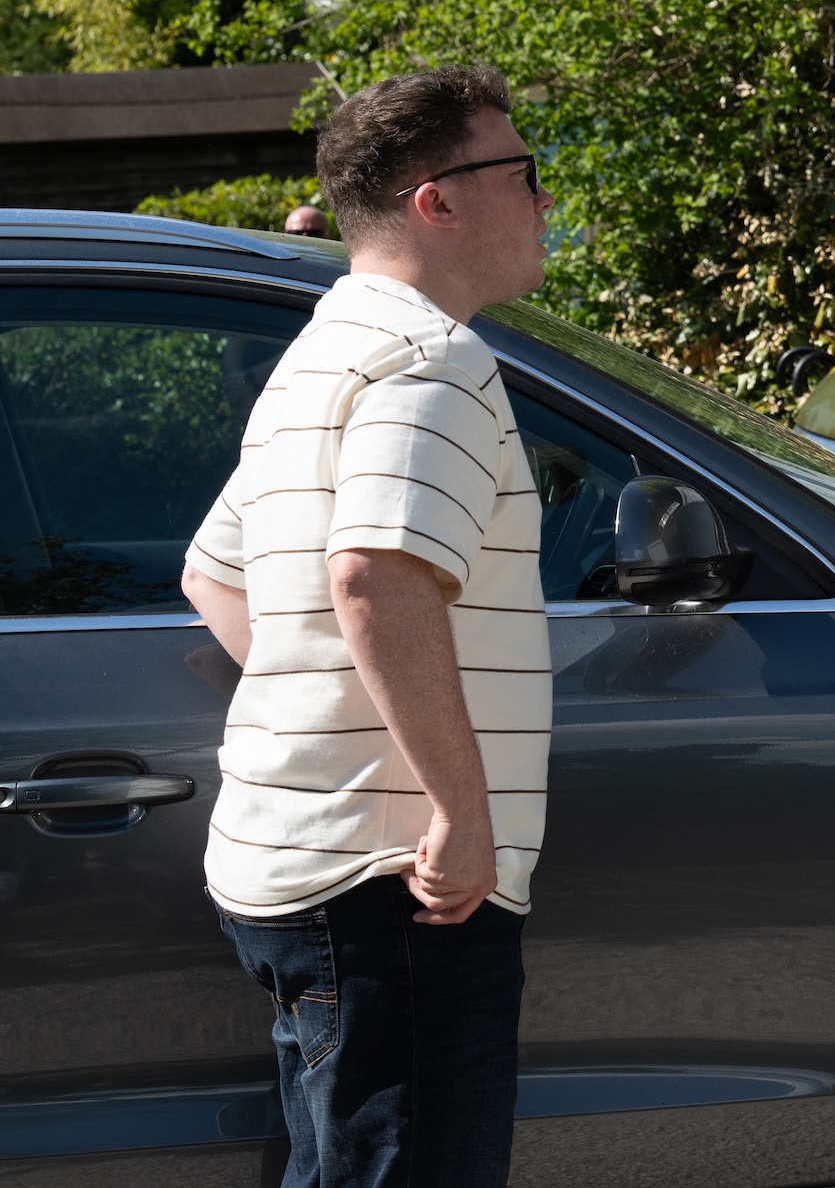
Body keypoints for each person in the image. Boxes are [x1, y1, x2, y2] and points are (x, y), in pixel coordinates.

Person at [180, 65, 556, 1188]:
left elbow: (214, 575)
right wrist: (456, 807)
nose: (543, 198)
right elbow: (376, 578)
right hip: (393, 887)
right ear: (438, 198)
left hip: (304, 877)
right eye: (523, 171)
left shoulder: (317, 356)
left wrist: (326, 699)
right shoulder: (431, 357)